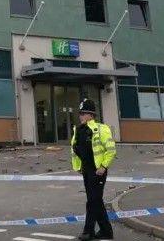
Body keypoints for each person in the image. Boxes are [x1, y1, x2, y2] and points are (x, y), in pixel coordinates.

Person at [71, 98, 117, 240]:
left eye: (83, 113)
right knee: (95, 200)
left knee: (93, 201)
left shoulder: (101, 129)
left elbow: (111, 150)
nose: (81, 116)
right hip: (86, 170)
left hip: (98, 171)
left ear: (91, 115)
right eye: (80, 113)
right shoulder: (78, 130)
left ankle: (88, 231)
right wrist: (79, 167)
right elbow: (76, 150)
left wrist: (103, 166)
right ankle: (106, 231)